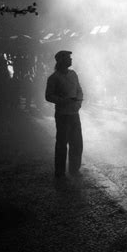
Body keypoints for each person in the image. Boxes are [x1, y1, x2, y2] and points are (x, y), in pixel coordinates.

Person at [45, 50, 84, 178]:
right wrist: (64, 101)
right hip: (62, 114)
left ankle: (74, 169)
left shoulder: (73, 74)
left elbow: (79, 90)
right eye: (68, 58)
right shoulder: (54, 78)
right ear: (61, 61)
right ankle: (60, 171)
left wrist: (78, 104)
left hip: (74, 113)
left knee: (76, 142)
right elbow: (48, 96)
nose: (71, 60)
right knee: (62, 143)